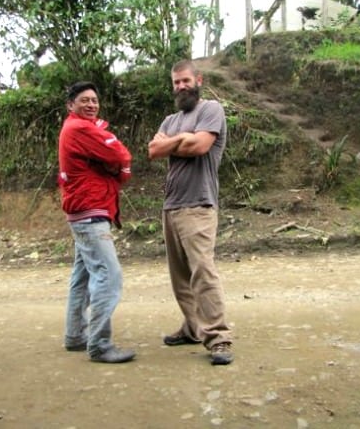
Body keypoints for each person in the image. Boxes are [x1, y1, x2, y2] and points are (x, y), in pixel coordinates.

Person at [147, 59, 233, 365]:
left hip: (198, 204)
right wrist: (180, 140)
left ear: (198, 80)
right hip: (171, 206)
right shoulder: (170, 120)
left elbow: (199, 147)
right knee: (180, 277)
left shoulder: (211, 110)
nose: (181, 86)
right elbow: (153, 151)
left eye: (185, 80)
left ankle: (219, 337)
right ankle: (193, 327)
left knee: (202, 272)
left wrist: (175, 143)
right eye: (176, 83)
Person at [58, 81, 136, 364]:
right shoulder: (80, 128)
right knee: (108, 274)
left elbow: (115, 159)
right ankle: (100, 344)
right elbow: (120, 155)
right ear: (71, 105)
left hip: (83, 210)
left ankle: (75, 335)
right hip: (90, 213)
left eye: (94, 100)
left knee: (83, 276)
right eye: (84, 100)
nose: (91, 104)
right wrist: (118, 169)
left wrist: (113, 168)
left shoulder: (77, 128)